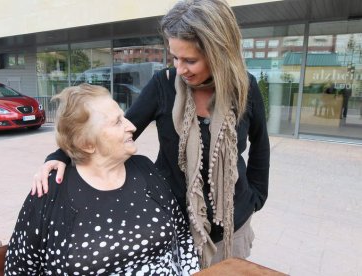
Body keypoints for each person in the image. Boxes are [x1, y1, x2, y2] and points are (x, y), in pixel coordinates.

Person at [32, 0, 270, 268]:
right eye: (175, 57)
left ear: (218, 53)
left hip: (233, 227)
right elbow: (114, 131)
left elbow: (260, 143)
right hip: (174, 224)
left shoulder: (244, 87)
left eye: (190, 60)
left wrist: (257, 196)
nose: (180, 69)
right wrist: (61, 154)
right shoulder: (163, 85)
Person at [5, 84, 199, 275]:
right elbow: (18, 269)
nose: (131, 126)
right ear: (87, 143)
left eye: (124, 117)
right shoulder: (50, 190)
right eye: (117, 122)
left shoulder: (145, 168)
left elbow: (182, 238)